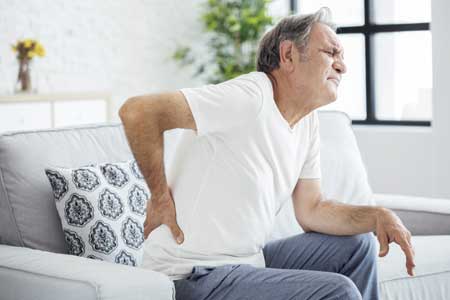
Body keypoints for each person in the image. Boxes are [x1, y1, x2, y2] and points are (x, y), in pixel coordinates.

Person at [119, 7, 415, 300]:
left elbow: (312, 210)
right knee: (339, 291)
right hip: (192, 275)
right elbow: (138, 113)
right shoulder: (250, 96)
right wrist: (159, 197)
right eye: (330, 53)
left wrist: (378, 215)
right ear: (288, 55)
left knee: (359, 246)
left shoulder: (306, 122)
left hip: (248, 264)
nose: (342, 66)